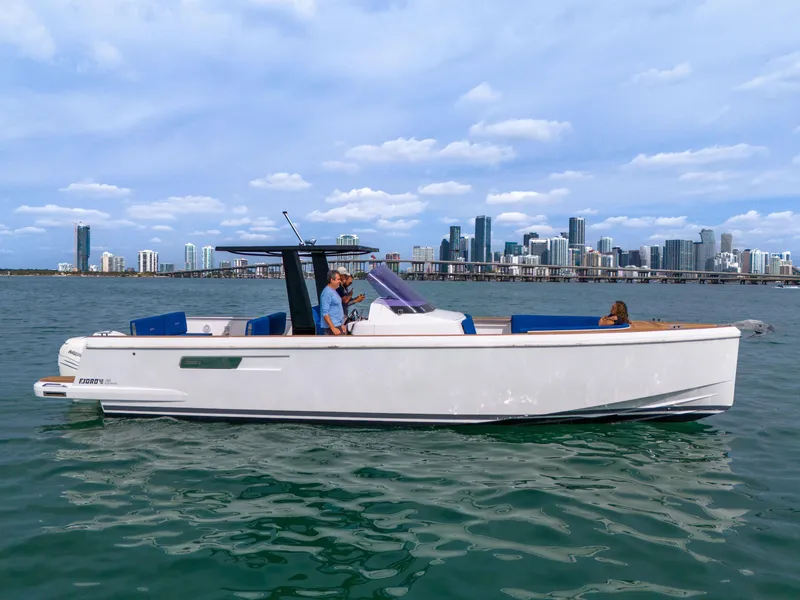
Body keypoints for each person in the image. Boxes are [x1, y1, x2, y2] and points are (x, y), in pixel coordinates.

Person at [320, 270, 346, 335]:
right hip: (332, 328)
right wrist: (333, 328)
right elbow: (325, 312)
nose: (340, 281)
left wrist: (342, 324)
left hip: (338, 325)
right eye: (338, 279)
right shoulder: (326, 292)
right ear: (332, 280)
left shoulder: (334, 291)